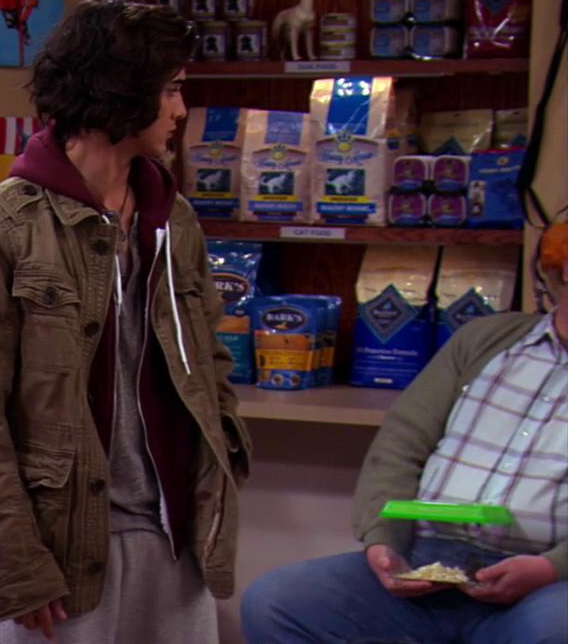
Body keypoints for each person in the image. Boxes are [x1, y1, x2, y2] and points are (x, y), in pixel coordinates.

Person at [0, 0, 251, 644]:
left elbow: (211, 365)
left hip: (174, 541)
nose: (180, 110)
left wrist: (223, 465)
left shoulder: (174, 220)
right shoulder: (0, 226)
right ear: (121, 90)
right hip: (60, 552)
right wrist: (15, 563)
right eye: (170, 89)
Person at [240, 222, 568, 644]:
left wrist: (551, 568)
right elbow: (401, 444)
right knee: (277, 603)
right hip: (426, 559)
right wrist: (384, 541)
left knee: (555, 628)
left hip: (546, 582)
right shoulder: (486, 340)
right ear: (559, 271)